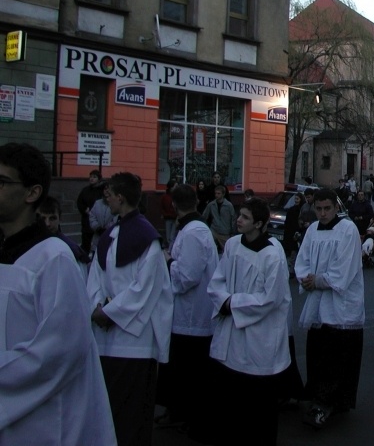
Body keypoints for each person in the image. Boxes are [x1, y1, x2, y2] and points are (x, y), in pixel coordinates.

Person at [0, 143, 116, 445]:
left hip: (43, 421)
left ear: (32, 193)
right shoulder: (7, 253)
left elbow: (60, 351)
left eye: (2, 182)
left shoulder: (53, 258)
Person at [87, 171, 173, 446]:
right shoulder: (110, 234)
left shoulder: (148, 238)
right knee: (107, 414)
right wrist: (95, 306)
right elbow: (95, 277)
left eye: (109, 194)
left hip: (134, 342)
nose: (106, 198)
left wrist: (106, 313)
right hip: (106, 339)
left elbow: (146, 290)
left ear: (121, 198)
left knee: (132, 417)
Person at [207, 197, 292, 446]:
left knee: (258, 407)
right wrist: (223, 300)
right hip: (231, 335)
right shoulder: (233, 245)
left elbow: (271, 299)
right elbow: (218, 279)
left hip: (259, 338)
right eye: (239, 215)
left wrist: (231, 303)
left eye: (244, 217)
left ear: (259, 223)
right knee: (232, 401)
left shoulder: (272, 255)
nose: (238, 220)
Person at [295, 189, 365, 428]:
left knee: (339, 356)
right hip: (318, 303)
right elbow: (302, 259)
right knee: (317, 353)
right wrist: (305, 277)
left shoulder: (348, 230)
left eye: (327, 209)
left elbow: (344, 269)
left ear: (336, 208)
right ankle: (317, 394)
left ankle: (334, 401)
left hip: (341, 305)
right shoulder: (312, 231)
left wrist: (319, 280)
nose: (322, 214)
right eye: (319, 209)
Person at [157, 184, 218, 438]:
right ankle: (180, 411)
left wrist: (168, 262)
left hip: (193, 316)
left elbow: (187, 276)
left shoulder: (194, 232)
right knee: (182, 369)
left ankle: (191, 416)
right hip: (186, 315)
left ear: (174, 206)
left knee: (191, 372)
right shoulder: (191, 229)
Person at [37, 195, 92, 276]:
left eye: (52, 218)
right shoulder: (28, 244)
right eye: (43, 219)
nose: (47, 224)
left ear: (60, 219)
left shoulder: (71, 249)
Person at [76, 168, 104, 255]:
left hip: (99, 220)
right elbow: (79, 202)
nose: (91, 179)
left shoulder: (102, 191)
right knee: (85, 243)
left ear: (99, 179)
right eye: (90, 177)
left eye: (94, 177)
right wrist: (84, 209)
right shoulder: (85, 190)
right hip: (87, 220)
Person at [203, 184, 237, 252]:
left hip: (225, 232)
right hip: (214, 231)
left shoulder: (228, 205)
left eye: (218, 193)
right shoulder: (211, 204)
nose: (216, 195)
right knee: (210, 250)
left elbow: (233, 219)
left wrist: (233, 232)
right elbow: (204, 216)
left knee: (227, 252)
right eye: (215, 193)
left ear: (223, 194)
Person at [89, 181, 116, 252]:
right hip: (97, 238)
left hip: (110, 238)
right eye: (105, 189)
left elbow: (116, 218)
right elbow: (92, 216)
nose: (107, 191)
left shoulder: (115, 203)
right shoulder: (97, 203)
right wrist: (97, 227)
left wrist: (107, 229)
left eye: (108, 189)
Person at [160, 177, 178, 250]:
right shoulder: (165, 197)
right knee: (168, 236)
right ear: (171, 187)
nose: (177, 188)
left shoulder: (177, 196)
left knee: (172, 236)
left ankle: (170, 250)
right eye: (175, 186)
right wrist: (164, 214)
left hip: (175, 217)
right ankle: (170, 249)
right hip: (168, 217)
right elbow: (162, 206)